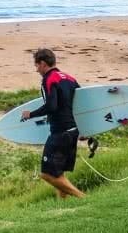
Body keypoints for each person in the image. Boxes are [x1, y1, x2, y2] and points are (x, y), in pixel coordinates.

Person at [22, 48, 85, 198]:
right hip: (72, 131)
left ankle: (83, 197)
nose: (37, 70)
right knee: (59, 173)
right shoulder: (70, 78)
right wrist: (84, 129)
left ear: (43, 63)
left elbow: (52, 106)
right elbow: (81, 106)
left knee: (47, 174)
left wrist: (31, 114)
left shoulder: (49, 79)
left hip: (60, 132)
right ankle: (62, 207)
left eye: (37, 66)